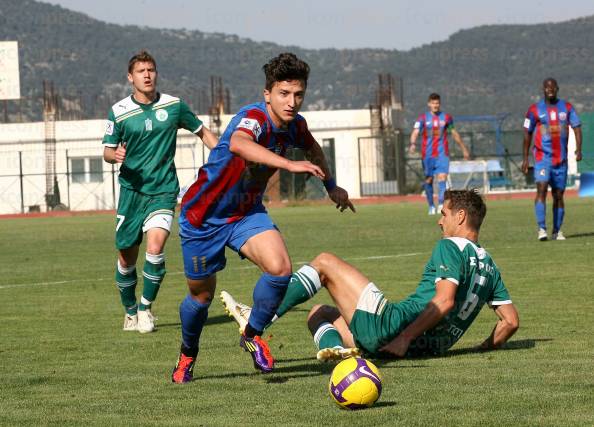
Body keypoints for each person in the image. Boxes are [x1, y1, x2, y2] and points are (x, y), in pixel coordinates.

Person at [171, 52, 355, 383]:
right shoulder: (253, 117)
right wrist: (287, 164)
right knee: (201, 298)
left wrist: (331, 185)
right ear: (267, 93)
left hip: (245, 212)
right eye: (284, 94)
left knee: (281, 268)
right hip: (203, 216)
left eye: (298, 94)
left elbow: (313, 149)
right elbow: (240, 144)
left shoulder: (296, 126)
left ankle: (252, 333)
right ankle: (187, 354)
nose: (292, 101)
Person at [222, 189, 519, 361]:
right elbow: (510, 322)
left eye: (444, 213)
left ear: (461, 217)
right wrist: (481, 349)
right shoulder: (490, 266)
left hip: (393, 329)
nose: (440, 221)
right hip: (422, 349)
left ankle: (259, 318)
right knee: (318, 313)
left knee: (324, 262)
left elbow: (444, 302)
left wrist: (403, 338)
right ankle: (337, 352)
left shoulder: (451, 247)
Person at [102, 50, 218, 334]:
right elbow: (106, 151)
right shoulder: (118, 112)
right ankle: (129, 311)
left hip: (163, 191)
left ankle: (145, 309)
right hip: (131, 192)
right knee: (126, 260)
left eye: (151, 70)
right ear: (130, 78)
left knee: (155, 248)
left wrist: (226, 156)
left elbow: (203, 132)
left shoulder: (174, 106)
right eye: (141, 71)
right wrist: (113, 155)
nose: (147, 75)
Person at [521, 78, 582, 241]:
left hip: (560, 160)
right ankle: (542, 228)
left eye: (553, 86)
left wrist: (578, 149)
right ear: (543, 89)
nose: (550, 89)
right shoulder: (534, 110)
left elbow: (577, 128)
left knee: (559, 195)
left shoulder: (567, 108)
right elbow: (527, 133)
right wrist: (525, 158)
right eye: (547, 87)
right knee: (541, 189)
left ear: (557, 88)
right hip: (542, 158)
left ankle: (557, 230)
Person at [409, 93, 470, 215]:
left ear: (439, 104)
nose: (435, 105)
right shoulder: (422, 118)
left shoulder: (446, 118)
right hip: (427, 154)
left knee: (442, 177)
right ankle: (431, 205)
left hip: (443, 153)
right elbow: (415, 132)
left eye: (437, 103)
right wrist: (412, 143)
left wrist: (464, 148)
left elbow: (454, 133)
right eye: (433, 103)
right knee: (429, 180)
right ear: (429, 104)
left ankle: (441, 204)